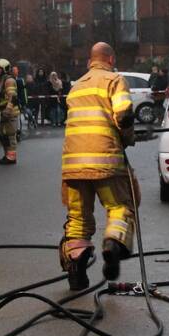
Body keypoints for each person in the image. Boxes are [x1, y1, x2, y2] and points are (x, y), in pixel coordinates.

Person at [59, 42, 137, 291]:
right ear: (111, 60)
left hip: (73, 165)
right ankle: (113, 244)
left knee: (78, 218)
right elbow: (123, 115)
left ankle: (76, 275)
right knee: (119, 207)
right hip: (106, 162)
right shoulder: (115, 80)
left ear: (89, 62)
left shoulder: (76, 87)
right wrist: (128, 138)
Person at [0, 58, 20, 165]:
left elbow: (12, 97)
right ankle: (7, 155)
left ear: (4, 69)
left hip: (9, 113)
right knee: (3, 136)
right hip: (3, 112)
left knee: (10, 135)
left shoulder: (9, 81)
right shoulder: (1, 80)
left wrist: (7, 111)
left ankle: (11, 157)